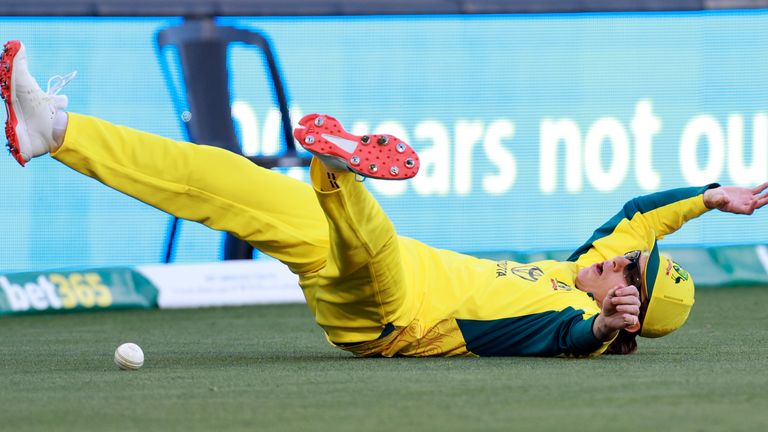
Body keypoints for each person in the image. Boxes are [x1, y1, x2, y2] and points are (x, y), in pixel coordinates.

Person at [3, 40, 767, 357]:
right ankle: (56, 130)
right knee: (227, 183)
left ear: (630, 308)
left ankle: (340, 170)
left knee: (374, 245)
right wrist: (707, 197)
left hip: (393, 319)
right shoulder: (585, 267)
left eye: (634, 275)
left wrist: (605, 329)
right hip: (370, 264)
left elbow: (570, 341)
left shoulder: (569, 318)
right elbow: (640, 215)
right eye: (637, 260)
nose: (627, 259)